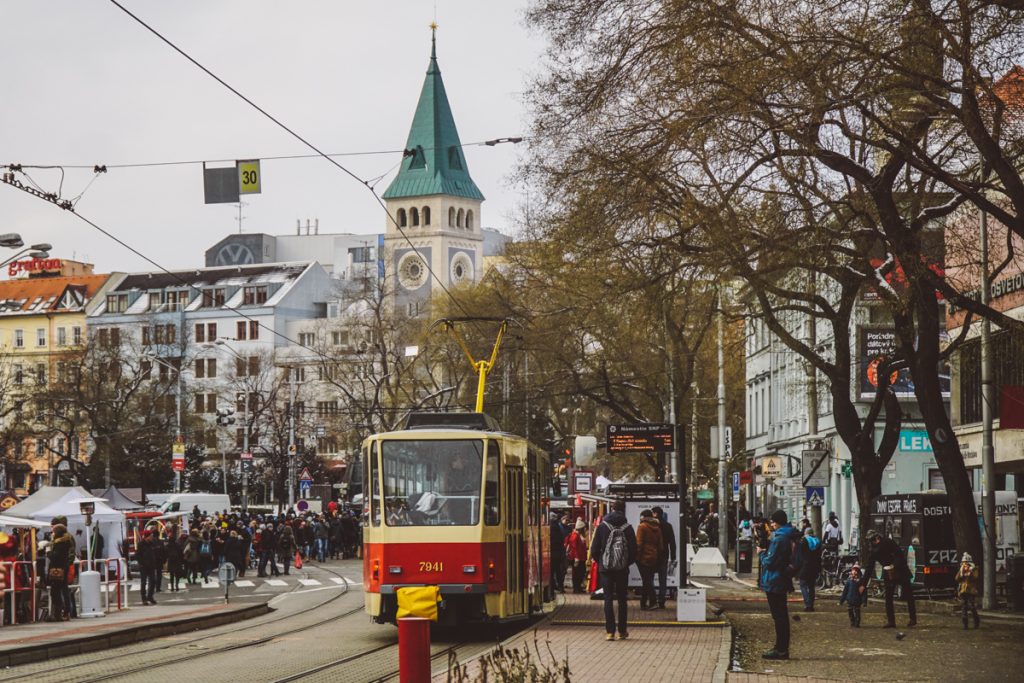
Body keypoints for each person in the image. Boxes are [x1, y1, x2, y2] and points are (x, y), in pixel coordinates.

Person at [590, 500, 637, 641]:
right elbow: (634, 550)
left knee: (608, 598)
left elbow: (594, 549)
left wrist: (602, 562)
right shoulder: (628, 527)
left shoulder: (603, 526)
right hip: (622, 569)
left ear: (612, 508)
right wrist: (625, 563)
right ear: (624, 510)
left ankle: (610, 632)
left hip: (606, 569)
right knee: (622, 599)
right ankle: (622, 631)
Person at [759, 509, 800, 660]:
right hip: (782, 579)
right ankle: (781, 647)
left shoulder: (780, 538)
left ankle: (781, 649)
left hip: (774, 580)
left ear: (777, 522)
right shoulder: (789, 535)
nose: (771, 525)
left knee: (779, 616)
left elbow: (770, 562)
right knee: (781, 615)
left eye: (772, 522)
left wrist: (762, 553)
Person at [861, 529, 917, 628]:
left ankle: (913, 618)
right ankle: (891, 621)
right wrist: (863, 584)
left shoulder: (888, 542)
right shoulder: (873, 551)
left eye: (873, 540)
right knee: (888, 597)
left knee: (908, 594)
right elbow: (869, 568)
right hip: (888, 572)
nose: (873, 542)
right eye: (871, 541)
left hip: (901, 570)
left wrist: (894, 565)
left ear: (877, 538)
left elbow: (899, 554)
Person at [636, 509, 663, 610]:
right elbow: (660, 545)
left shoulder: (642, 527)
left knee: (647, 581)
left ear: (644, 517)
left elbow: (639, 544)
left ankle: (653, 601)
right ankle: (643, 603)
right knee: (647, 580)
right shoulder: (657, 527)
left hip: (643, 557)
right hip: (654, 557)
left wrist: (636, 557)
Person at [46, 524, 74, 621]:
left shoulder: (59, 544)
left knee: (55, 591)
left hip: (57, 569)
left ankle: (57, 614)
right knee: (63, 590)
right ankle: (64, 612)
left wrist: (48, 552)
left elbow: (55, 557)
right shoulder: (65, 542)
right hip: (63, 568)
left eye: (53, 531)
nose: (52, 533)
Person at [652, 506, 677, 609]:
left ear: (656, 514)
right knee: (663, 579)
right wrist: (673, 556)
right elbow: (672, 542)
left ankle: (652, 599)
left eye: (653, 513)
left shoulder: (652, 525)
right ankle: (661, 600)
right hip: (664, 554)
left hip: (653, 554)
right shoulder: (668, 526)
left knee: (650, 578)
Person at [798, 527, 823, 611]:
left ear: (806, 533)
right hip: (814, 567)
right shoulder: (818, 542)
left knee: (803, 585)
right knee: (811, 587)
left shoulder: (803, 541)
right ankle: (811, 605)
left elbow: (800, 556)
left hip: (805, 566)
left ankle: (808, 604)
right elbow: (819, 556)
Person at [955, 552, 980, 630]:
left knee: (972, 607)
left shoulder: (974, 569)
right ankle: (965, 625)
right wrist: (961, 572)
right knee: (964, 608)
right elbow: (957, 579)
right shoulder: (962, 570)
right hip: (963, 591)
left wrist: (970, 571)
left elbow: (975, 578)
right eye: (963, 563)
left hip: (971, 591)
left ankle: (976, 623)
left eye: (966, 563)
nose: (964, 564)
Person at [565, 519, 589, 593]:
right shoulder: (575, 536)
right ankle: (576, 588)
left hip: (580, 557)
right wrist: (577, 558)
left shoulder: (577, 535)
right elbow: (575, 547)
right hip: (577, 558)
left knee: (579, 573)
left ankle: (578, 587)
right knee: (577, 573)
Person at [136, 529, 159, 605]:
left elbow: (155, 553)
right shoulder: (141, 544)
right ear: (147, 537)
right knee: (143, 582)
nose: (152, 537)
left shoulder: (152, 544)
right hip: (144, 567)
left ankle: (150, 596)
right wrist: (142, 563)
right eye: (150, 536)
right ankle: (144, 598)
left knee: (153, 581)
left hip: (152, 566)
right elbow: (138, 555)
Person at [548, 513, 566, 593]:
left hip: (550, 553)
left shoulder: (548, 527)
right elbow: (562, 540)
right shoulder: (559, 528)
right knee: (559, 571)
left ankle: (552, 588)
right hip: (558, 553)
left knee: (551, 572)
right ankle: (561, 587)